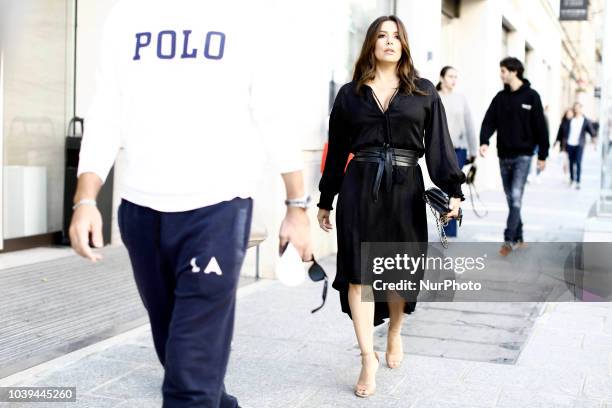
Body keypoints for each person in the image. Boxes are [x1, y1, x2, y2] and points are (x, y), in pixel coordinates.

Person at [68, 2, 312, 407]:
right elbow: (106, 110)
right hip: (141, 209)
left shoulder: (246, 16)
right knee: (175, 351)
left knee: (188, 378)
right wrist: (85, 198)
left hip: (216, 207)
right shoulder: (126, 16)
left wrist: (297, 205)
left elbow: (273, 114)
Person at [317, 16, 465, 398]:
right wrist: (325, 199)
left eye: (396, 36)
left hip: (405, 188)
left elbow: (440, 147)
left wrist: (454, 191)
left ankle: (395, 331)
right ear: (370, 43)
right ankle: (368, 356)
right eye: (381, 35)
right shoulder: (350, 94)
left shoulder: (424, 92)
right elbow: (335, 152)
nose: (389, 41)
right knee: (358, 275)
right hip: (359, 187)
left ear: (404, 44)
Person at [480, 57, 549, 256]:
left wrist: (542, 155)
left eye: (503, 71)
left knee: (516, 196)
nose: (500, 74)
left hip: (524, 156)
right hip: (504, 155)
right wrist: (484, 141)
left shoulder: (532, 96)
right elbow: (488, 121)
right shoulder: (500, 98)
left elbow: (540, 128)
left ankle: (508, 239)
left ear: (514, 71)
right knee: (511, 198)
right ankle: (519, 236)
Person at [436, 66, 477, 237]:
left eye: (455, 77)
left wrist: (473, 150)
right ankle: (446, 226)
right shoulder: (434, 97)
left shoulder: (461, 98)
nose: (453, 80)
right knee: (443, 189)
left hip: (459, 149)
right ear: (442, 77)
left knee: (454, 188)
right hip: (439, 150)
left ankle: (450, 230)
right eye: (450, 76)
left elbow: (469, 124)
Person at [556, 102, 597, 189]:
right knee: (571, 162)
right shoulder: (571, 120)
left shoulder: (585, 121)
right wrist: (558, 142)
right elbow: (562, 131)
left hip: (579, 145)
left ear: (581, 109)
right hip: (570, 144)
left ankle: (578, 181)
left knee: (578, 162)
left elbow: (591, 132)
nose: (576, 110)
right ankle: (572, 179)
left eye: (578, 108)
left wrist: (594, 142)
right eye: (575, 108)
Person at [555, 108, 574, 176]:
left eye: (570, 114)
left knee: (571, 160)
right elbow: (559, 133)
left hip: (572, 144)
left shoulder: (574, 122)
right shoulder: (563, 123)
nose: (569, 115)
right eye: (568, 114)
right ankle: (566, 173)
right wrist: (556, 142)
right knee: (565, 160)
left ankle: (570, 173)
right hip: (564, 144)